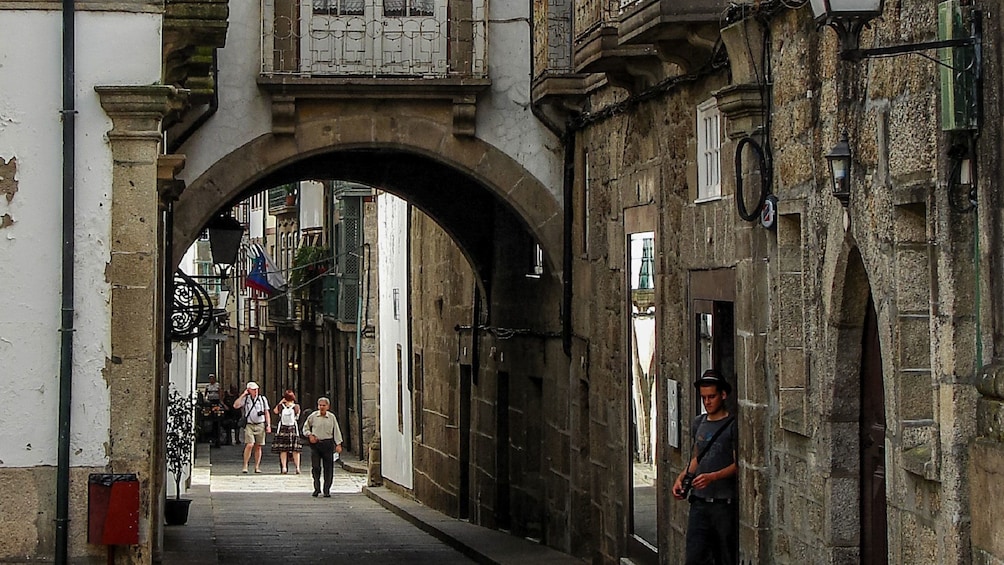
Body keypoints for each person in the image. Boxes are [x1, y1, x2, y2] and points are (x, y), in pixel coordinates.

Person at [672, 369, 738, 565]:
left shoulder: (732, 425)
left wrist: (713, 477)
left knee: (724, 557)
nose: (707, 402)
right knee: (694, 557)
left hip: (723, 505)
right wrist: (682, 477)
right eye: (704, 398)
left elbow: (738, 465)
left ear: (723, 395)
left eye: (711, 397)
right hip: (699, 504)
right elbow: (697, 457)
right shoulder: (699, 423)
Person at [301, 397, 343, 497]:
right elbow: (305, 428)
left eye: (324, 405)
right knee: (316, 467)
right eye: (320, 405)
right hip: (316, 444)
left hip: (327, 444)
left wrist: (338, 444)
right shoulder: (313, 416)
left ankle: (327, 489)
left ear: (328, 406)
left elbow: (336, 430)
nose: (322, 407)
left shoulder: (332, 417)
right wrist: (310, 435)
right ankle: (317, 488)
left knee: (328, 467)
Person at [233, 381, 271, 474]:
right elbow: (236, 405)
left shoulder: (262, 399)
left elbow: (266, 412)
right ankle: (245, 465)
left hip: (260, 424)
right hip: (249, 425)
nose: (256, 391)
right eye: (253, 389)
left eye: (257, 389)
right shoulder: (246, 399)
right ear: (249, 390)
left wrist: (268, 425)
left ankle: (257, 466)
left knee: (258, 446)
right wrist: (243, 395)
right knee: (250, 444)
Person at [271, 389, 303, 474]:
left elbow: (275, 411)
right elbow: (298, 416)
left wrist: (281, 401)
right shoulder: (296, 407)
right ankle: (297, 467)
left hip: (282, 429)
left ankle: (284, 467)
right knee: (295, 450)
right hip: (292, 429)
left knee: (283, 449)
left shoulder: (281, 406)